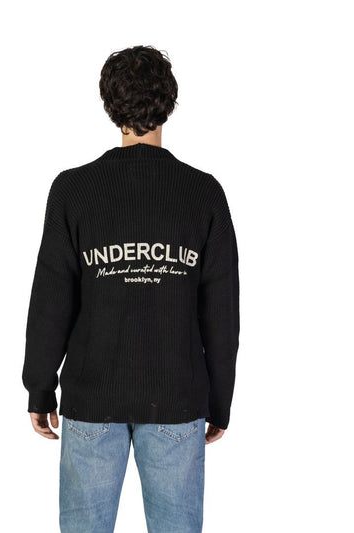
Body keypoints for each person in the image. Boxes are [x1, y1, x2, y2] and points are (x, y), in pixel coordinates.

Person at [22, 44, 240, 533]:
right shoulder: (202, 192)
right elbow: (222, 313)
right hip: (178, 398)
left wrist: (40, 388)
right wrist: (220, 399)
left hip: (92, 399)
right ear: (169, 102)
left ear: (109, 105)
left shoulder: (74, 190)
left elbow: (51, 303)